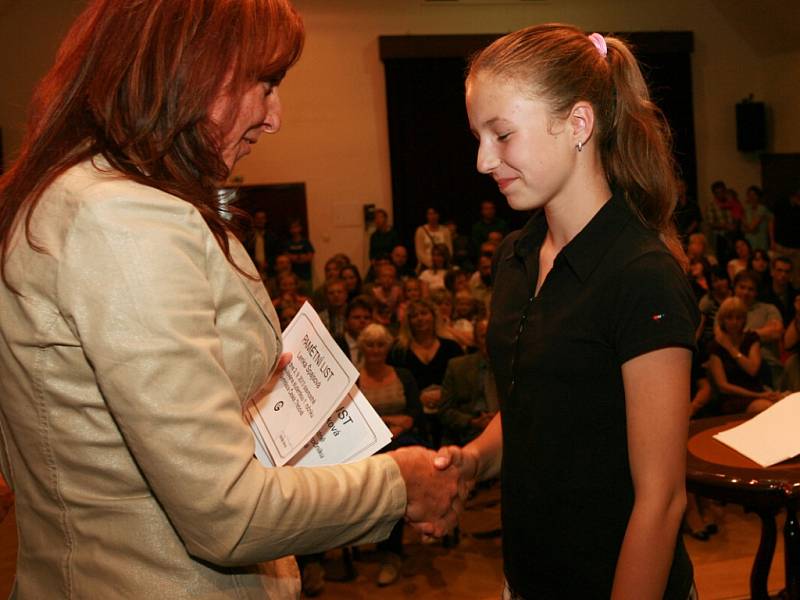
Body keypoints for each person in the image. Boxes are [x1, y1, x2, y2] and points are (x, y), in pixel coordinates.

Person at [0, 2, 464, 598]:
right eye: (266, 84)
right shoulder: (123, 218)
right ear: (189, 68)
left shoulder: (68, 199)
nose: (275, 118)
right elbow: (227, 513)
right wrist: (399, 483)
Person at [437, 25, 700, 599]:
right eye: (478, 137)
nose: (484, 160)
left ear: (578, 124)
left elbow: (662, 500)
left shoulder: (641, 275)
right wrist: (474, 459)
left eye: (502, 135)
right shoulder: (516, 256)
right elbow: (540, 406)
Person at [356, 324, 425, 586]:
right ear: (362, 347)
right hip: (367, 444)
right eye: (369, 344)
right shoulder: (355, 378)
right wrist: (391, 422)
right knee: (383, 475)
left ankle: (391, 553)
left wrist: (394, 425)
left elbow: (415, 413)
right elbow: (354, 418)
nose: (375, 350)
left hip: (401, 441)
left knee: (395, 476)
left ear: (388, 347)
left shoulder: (403, 375)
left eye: (380, 344)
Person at [708, 297, 783, 414]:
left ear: (744, 319)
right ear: (722, 320)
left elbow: (752, 369)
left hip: (757, 391)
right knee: (767, 408)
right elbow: (723, 386)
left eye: (739, 318)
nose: (734, 322)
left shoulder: (751, 338)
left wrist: (731, 349)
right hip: (733, 398)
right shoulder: (715, 347)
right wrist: (758, 395)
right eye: (729, 318)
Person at [414, 207, 452, 271]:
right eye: (430, 214)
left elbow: (449, 250)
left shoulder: (445, 231)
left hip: (443, 265)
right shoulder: (420, 230)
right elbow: (419, 252)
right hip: (426, 266)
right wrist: (431, 265)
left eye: (434, 213)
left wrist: (442, 263)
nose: (432, 216)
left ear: (438, 215)